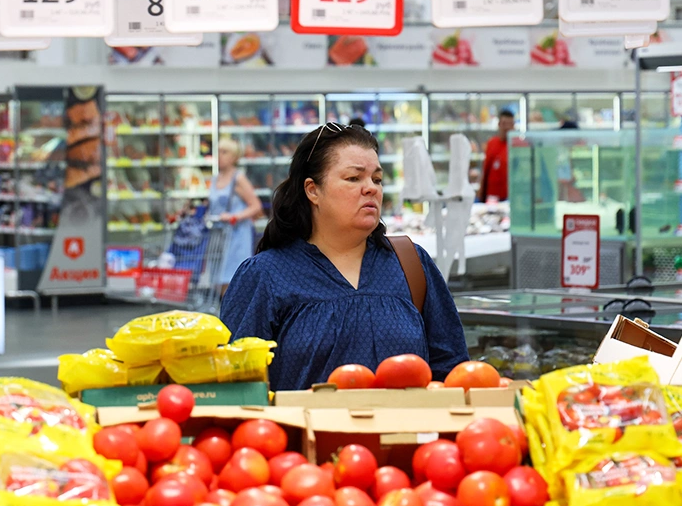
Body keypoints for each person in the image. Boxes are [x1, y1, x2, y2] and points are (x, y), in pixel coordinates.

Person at [220, 123, 469, 391]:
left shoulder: (410, 264)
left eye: (377, 179)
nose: (371, 188)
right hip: (305, 421)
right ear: (313, 190)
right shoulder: (265, 275)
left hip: (404, 420)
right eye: (353, 178)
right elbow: (235, 385)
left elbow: (453, 371)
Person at [208, 138, 264, 293]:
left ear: (234, 157)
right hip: (218, 238)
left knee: (233, 281)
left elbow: (256, 206)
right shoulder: (214, 179)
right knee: (218, 281)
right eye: (218, 151)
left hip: (237, 237)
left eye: (224, 152)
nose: (220, 155)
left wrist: (235, 216)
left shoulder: (238, 179)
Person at [479, 109, 515, 203]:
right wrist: (481, 194)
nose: (507, 127)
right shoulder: (492, 143)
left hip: (510, 195)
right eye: (504, 124)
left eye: (510, 124)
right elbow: (485, 169)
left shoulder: (517, 146)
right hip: (492, 195)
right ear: (499, 124)